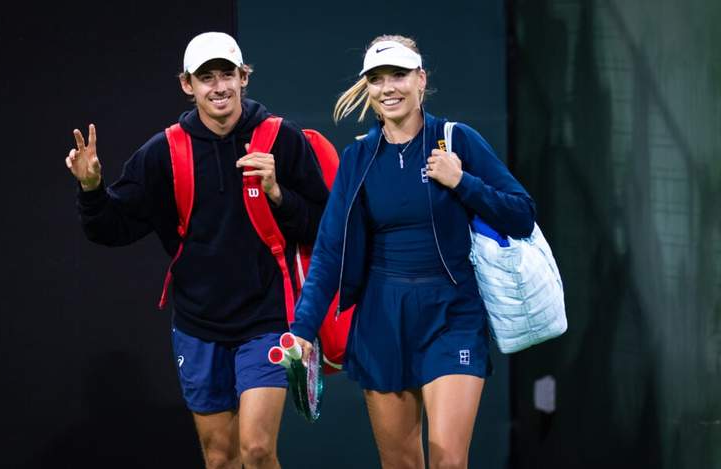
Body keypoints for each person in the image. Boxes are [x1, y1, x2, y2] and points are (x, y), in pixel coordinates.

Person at [65, 31, 328, 469]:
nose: (219, 86)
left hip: (266, 320)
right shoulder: (163, 152)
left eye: (227, 74)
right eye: (207, 77)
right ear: (188, 85)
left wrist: (278, 193)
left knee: (257, 450)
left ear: (244, 77)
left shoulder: (282, 139)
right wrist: (91, 189)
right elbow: (112, 228)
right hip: (198, 324)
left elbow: (322, 225)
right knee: (221, 457)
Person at [290, 35, 536, 469]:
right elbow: (330, 251)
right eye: (377, 79)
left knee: (448, 462)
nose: (388, 87)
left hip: (452, 316)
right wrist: (303, 328)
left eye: (399, 75)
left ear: (421, 79)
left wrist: (463, 183)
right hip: (381, 322)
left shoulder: (457, 141)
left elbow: (521, 215)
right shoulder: (358, 158)